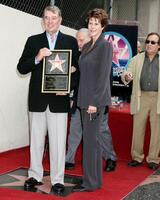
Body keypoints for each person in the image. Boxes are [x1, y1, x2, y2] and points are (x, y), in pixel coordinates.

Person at [17, 5, 79, 195]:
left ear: (60, 20)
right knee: (35, 140)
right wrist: (37, 58)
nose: (50, 21)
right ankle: (35, 175)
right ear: (42, 20)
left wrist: (68, 87)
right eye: (46, 18)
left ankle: (58, 179)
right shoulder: (33, 41)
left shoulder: (70, 41)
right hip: (37, 100)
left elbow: (77, 71)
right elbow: (21, 67)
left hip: (59, 102)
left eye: (53, 18)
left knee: (59, 143)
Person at [65, 28, 117, 172]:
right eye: (77, 39)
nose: (78, 43)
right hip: (79, 101)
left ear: (90, 39)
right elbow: (75, 81)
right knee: (75, 130)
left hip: (97, 101)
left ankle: (110, 158)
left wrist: (99, 102)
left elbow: (105, 82)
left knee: (101, 131)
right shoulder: (77, 56)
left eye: (81, 40)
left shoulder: (102, 54)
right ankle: (69, 159)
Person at [73, 8, 113, 192]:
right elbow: (85, 71)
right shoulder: (88, 45)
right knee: (90, 142)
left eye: (96, 23)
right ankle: (93, 180)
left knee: (91, 143)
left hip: (94, 102)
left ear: (103, 26)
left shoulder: (105, 46)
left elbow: (103, 77)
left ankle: (90, 182)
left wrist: (94, 103)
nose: (92, 26)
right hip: (84, 99)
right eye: (90, 23)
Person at [121, 32, 160, 170]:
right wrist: (127, 76)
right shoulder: (136, 59)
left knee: (157, 131)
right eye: (148, 41)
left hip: (157, 99)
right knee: (138, 128)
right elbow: (125, 74)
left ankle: (153, 159)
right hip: (140, 96)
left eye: (153, 42)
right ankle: (137, 157)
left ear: (158, 46)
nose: (149, 44)